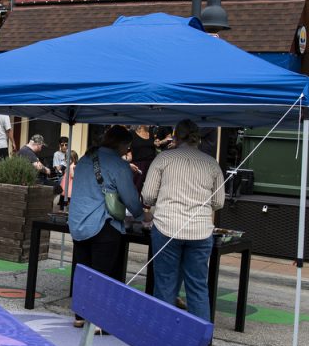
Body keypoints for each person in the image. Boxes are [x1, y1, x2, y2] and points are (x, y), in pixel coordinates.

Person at [141, 119, 225, 326]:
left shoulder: (163, 159)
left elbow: (148, 196)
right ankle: (200, 341)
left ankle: (163, 333)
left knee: (165, 284)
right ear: (197, 138)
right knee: (197, 286)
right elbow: (218, 202)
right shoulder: (211, 163)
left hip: (166, 226)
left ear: (175, 136)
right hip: (200, 230)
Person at [67, 125, 143, 327]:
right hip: (103, 223)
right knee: (104, 273)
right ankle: (99, 320)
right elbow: (130, 199)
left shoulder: (84, 159)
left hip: (78, 222)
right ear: (123, 144)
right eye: (128, 147)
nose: (128, 151)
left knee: (82, 269)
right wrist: (142, 214)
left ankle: (80, 315)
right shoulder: (119, 165)